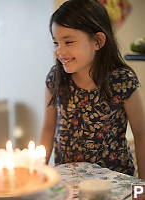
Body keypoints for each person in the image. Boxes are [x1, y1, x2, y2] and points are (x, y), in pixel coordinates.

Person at [40, 0, 145, 179]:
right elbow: (48, 129)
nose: (59, 51)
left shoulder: (122, 80)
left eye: (69, 42)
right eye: (56, 42)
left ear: (97, 41)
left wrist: (142, 189)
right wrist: (38, 173)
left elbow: (141, 134)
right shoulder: (55, 78)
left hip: (115, 181)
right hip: (69, 179)